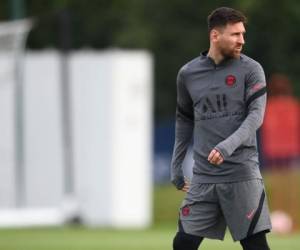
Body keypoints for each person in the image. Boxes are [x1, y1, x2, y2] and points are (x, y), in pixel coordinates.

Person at [171, 7, 272, 250]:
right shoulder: (188, 74)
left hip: (242, 175)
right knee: (182, 243)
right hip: (204, 178)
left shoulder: (251, 69)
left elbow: (256, 116)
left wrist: (227, 147)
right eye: (235, 34)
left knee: (255, 245)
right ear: (215, 36)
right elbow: (184, 120)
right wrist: (176, 165)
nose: (242, 41)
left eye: (243, 34)